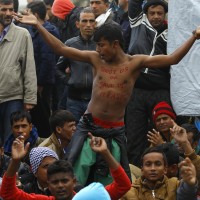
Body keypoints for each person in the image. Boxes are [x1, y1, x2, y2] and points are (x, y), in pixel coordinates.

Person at [13, 12, 200, 186]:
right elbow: (60, 48)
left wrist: (194, 37)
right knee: (69, 164)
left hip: (115, 129)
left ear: (115, 44)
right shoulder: (95, 59)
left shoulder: (135, 62)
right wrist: (38, 25)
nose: (98, 49)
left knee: (123, 175)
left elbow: (173, 59)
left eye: (101, 44)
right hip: (88, 124)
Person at [0, 133, 131, 200]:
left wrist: (105, 152)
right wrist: (15, 161)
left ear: (73, 181)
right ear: (49, 186)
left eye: (64, 181)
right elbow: (7, 193)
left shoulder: (88, 197)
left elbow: (123, 185)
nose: (60, 185)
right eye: (55, 182)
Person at [125, 0, 171, 167]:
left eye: (160, 13)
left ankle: (162, 171)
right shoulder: (138, 23)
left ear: (165, 14)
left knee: (161, 133)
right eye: (152, 13)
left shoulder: (173, 32)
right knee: (135, 135)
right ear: (146, 14)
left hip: (161, 91)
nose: (156, 17)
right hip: (136, 91)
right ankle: (136, 173)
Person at [0, 0, 37, 144]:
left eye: (11, 9)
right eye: (3, 10)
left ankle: (13, 166)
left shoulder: (22, 34)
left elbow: (29, 67)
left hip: (13, 96)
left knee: (13, 140)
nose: (8, 13)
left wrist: (30, 98)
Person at [26, 0, 60, 138]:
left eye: (27, 14)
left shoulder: (48, 31)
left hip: (42, 84)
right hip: (34, 81)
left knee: (43, 116)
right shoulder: (32, 30)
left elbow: (47, 59)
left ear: (34, 15)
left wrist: (40, 83)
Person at [56, 7, 96, 122]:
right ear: (78, 24)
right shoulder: (70, 44)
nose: (88, 25)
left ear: (95, 23)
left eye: (91, 21)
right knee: (74, 135)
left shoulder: (101, 44)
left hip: (95, 100)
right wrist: (69, 80)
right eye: (84, 21)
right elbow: (58, 68)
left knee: (95, 135)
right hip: (74, 100)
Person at [121, 146, 198, 200]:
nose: (153, 168)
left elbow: (187, 196)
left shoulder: (175, 185)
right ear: (142, 170)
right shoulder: (131, 192)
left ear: (165, 169)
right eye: (148, 164)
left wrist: (190, 184)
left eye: (158, 164)